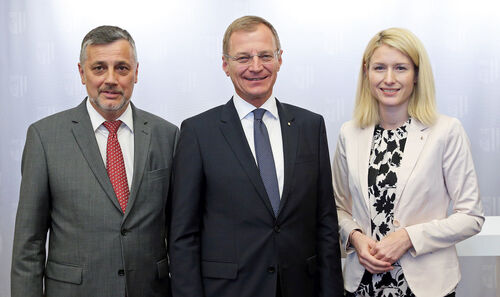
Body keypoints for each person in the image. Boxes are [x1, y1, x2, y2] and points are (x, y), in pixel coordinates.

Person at [169, 15, 343, 297]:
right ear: (225, 64)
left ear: (280, 59)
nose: (256, 67)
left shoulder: (311, 126)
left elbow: (325, 223)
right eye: (243, 58)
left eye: (265, 55)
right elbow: (183, 236)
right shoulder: (198, 132)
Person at [11, 25, 178, 297]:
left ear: (136, 72)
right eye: (99, 68)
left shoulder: (167, 135)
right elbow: (28, 246)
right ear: (81, 73)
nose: (110, 79)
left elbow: (179, 233)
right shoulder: (44, 137)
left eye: (122, 68)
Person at [332, 27, 484, 297]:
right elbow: (336, 208)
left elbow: (471, 217)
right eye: (379, 68)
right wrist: (355, 237)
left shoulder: (447, 131)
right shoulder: (349, 133)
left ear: (416, 75)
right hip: (361, 286)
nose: (389, 79)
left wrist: (408, 238)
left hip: (427, 287)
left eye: (400, 68)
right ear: (366, 72)